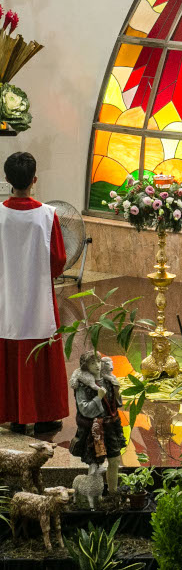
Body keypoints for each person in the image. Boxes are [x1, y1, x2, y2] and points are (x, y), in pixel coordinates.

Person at [0, 152, 69, 435]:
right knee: (41, 352)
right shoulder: (47, 215)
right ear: (34, 180)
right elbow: (58, 259)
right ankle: (43, 416)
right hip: (38, 296)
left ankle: (14, 414)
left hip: (5, 296)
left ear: (6, 180)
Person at [68, 353, 125, 492]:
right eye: (93, 363)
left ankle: (113, 493)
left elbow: (117, 404)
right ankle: (93, 495)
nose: (97, 366)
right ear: (86, 366)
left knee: (114, 460)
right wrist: (98, 398)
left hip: (111, 425)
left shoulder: (109, 381)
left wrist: (116, 390)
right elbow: (84, 409)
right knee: (94, 465)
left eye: (98, 362)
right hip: (95, 429)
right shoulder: (83, 385)